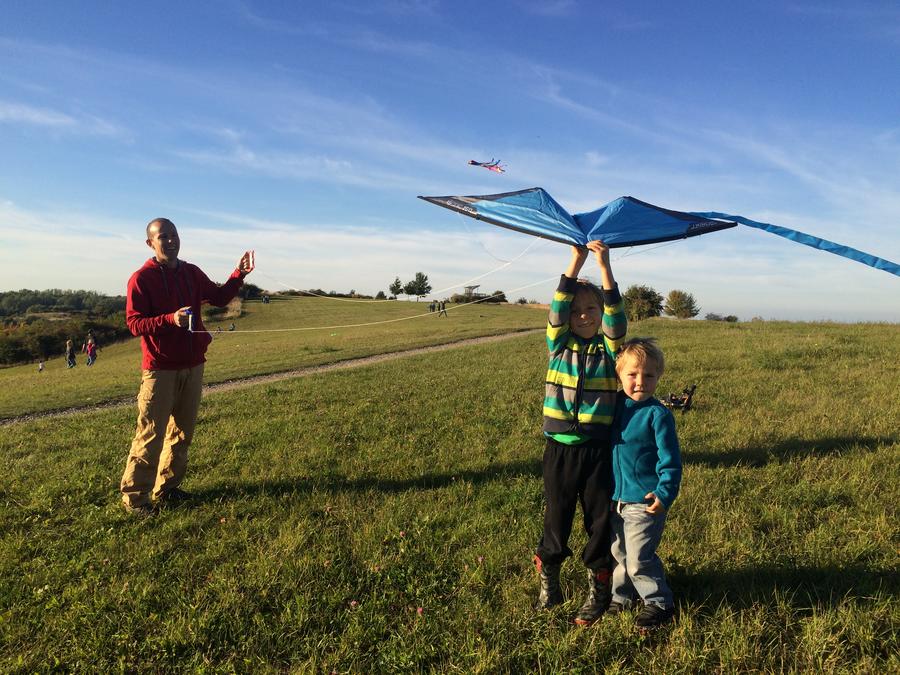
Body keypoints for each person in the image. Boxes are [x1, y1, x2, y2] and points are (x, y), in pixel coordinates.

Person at [119, 217, 255, 517]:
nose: (170, 240)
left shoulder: (191, 273)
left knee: (182, 432)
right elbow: (134, 323)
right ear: (150, 243)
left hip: (193, 365)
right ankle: (135, 498)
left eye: (174, 235)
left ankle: (167, 488)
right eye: (163, 236)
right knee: (151, 433)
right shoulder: (141, 279)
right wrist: (170, 319)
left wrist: (239, 274)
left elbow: (219, 297)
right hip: (160, 368)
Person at [534, 240, 626, 626]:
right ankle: (549, 581)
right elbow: (557, 305)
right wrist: (576, 260)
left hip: (597, 450)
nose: (584, 316)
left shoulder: (610, 350)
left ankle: (598, 589)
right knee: (557, 519)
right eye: (577, 311)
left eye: (592, 310)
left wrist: (603, 266)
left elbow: (616, 318)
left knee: (598, 521)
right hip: (559, 449)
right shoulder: (558, 345)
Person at [609, 338, 682, 630]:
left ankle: (659, 602)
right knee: (619, 553)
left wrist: (665, 493)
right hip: (615, 498)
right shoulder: (612, 407)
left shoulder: (658, 415)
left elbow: (671, 460)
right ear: (620, 376)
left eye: (649, 375)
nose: (641, 381)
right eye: (633, 374)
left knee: (639, 557)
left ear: (658, 377)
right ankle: (621, 596)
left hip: (645, 500)